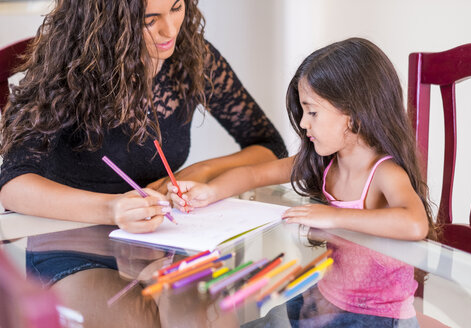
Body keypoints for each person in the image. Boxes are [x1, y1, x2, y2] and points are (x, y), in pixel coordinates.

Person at [169, 38, 439, 326]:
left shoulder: (384, 173)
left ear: (353, 114)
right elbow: (255, 174)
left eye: (312, 112)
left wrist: (335, 216)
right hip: (328, 299)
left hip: (376, 316)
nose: (303, 123)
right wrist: (209, 191)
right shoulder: (323, 163)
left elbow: (414, 224)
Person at [0, 0, 287, 233]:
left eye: (176, 8)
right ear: (108, 23)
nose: (170, 30)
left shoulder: (192, 57)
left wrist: (201, 172)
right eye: (150, 20)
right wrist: (112, 209)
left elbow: (269, 147)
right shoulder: (67, 69)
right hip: (68, 230)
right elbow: (13, 184)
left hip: (158, 233)